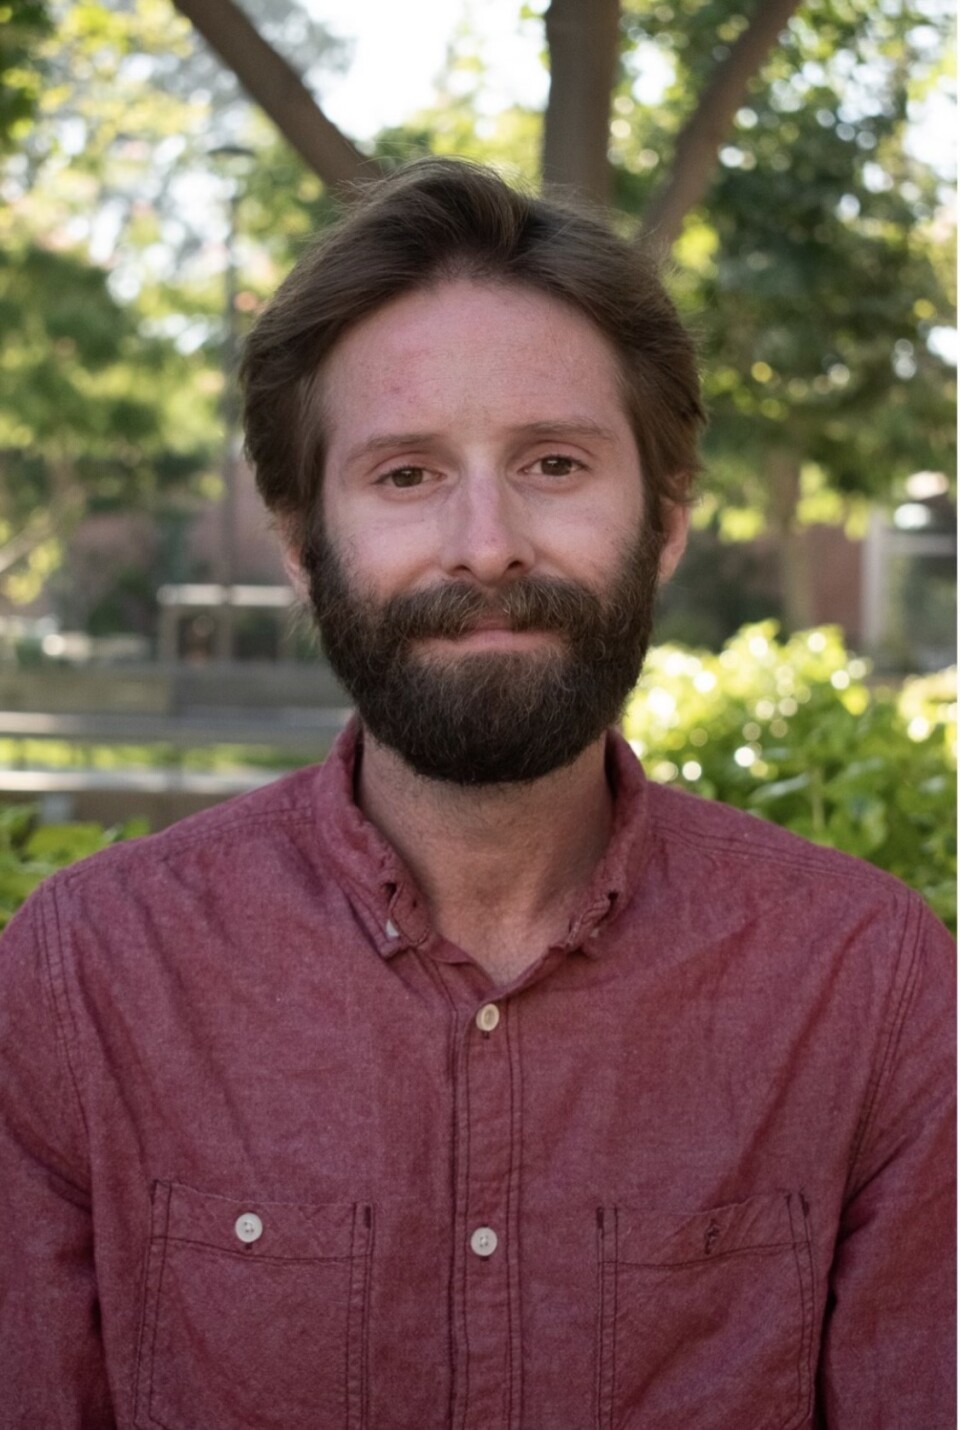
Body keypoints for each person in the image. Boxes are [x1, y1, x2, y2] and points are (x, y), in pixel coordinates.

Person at [0, 159, 953, 1430]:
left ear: (665, 518)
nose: (487, 541)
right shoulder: (88, 977)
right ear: (301, 543)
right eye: (406, 474)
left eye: (554, 462)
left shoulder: (868, 982)